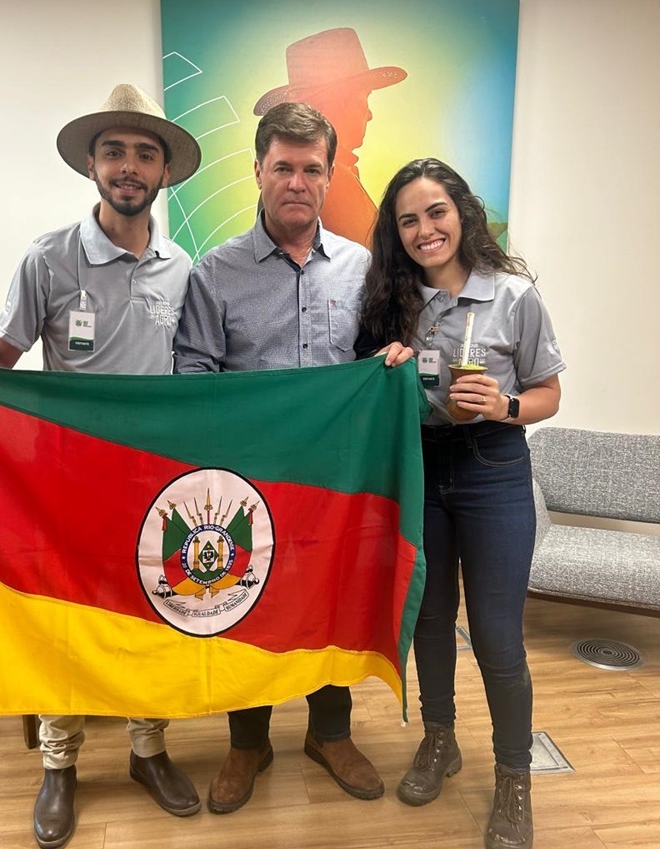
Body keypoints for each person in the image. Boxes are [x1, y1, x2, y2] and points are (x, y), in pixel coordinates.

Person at [0, 83, 203, 849]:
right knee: (62, 621)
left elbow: (195, 376)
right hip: (62, 482)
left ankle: (148, 748)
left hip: (150, 484)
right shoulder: (48, 258)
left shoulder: (182, 268)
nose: (128, 166)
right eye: (114, 152)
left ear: (164, 172)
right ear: (92, 166)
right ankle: (60, 762)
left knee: (148, 612)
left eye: (144, 153)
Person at [174, 101, 411, 815]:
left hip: (337, 483)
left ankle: (329, 734)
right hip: (247, 487)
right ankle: (248, 741)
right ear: (258, 170)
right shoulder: (215, 272)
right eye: (284, 166)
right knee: (248, 607)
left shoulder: (362, 268)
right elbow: (192, 374)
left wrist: (393, 362)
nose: (298, 181)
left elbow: (377, 361)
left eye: (312, 168)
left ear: (329, 174)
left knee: (329, 603)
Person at [356, 158, 565, 849]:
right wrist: (383, 364)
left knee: (499, 636)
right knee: (431, 617)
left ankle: (514, 775)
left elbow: (548, 392)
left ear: (462, 214)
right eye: (409, 219)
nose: (424, 229)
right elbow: (368, 388)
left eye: (435, 212)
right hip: (421, 466)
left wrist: (507, 405)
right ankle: (440, 740)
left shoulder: (513, 296)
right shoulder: (392, 299)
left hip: (493, 469)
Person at [253, 27, 407, 248]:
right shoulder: (330, 184)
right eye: (364, 99)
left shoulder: (295, 181)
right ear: (340, 101)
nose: (369, 113)